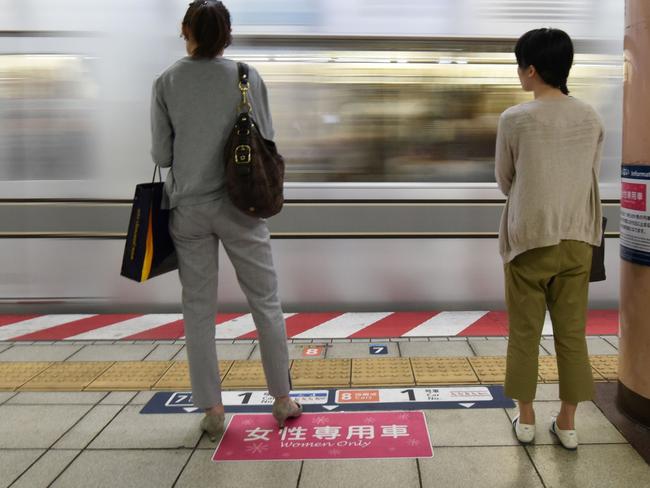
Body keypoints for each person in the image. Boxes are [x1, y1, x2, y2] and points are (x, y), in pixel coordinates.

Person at [150, 0, 301, 441]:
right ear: (228, 33)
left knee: (198, 309)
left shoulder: (165, 82)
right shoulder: (245, 76)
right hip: (242, 206)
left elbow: (161, 155)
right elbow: (267, 137)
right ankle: (282, 400)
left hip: (189, 210)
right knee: (265, 303)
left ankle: (213, 410)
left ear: (185, 30)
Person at [495, 28, 603, 450]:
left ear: (532, 70)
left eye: (520, 65)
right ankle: (569, 424)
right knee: (572, 334)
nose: (519, 73)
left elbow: (506, 181)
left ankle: (526, 419)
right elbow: (589, 175)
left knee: (524, 332)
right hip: (578, 238)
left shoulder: (514, 119)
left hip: (529, 240)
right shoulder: (591, 117)